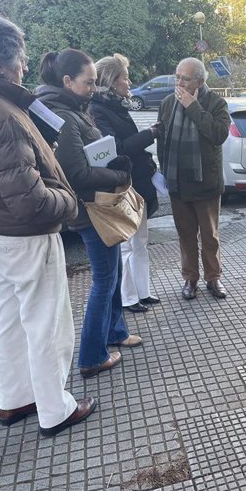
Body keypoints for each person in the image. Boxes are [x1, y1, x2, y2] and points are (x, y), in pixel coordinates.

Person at [0, 15, 96, 437]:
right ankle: (55, 409)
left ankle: (15, 400)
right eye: (20, 59)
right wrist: (69, 202)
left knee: (9, 317)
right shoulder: (0, 114)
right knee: (46, 322)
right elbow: (29, 202)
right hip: (23, 237)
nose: (24, 67)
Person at [37, 48, 142, 379]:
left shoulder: (68, 108)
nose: (94, 89)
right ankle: (92, 356)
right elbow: (77, 174)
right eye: (89, 82)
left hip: (95, 208)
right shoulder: (64, 116)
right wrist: (119, 174)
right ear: (67, 81)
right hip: (90, 210)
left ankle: (115, 333)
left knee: (112, 273)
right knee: (104, 279)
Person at [90, 54, 161, 314]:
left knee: (140, 240)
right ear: (111, 80)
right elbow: (116, 149)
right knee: (128, 243)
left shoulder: (115, 105)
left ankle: (143, 291)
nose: (129, 82)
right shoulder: (98, 109)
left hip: (137, 182)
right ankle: (128, 297)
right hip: (122, 186)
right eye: (125, 77)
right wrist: (149, 134)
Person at [156, 57, 231, 300]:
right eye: (177, 77)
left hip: (206, 184)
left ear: (199, 80)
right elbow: (162, 140)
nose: (179, 82)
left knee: (210, 236)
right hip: (179, 184)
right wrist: (165, 171)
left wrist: (192, 106)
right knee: (185, 235)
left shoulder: (216, 102)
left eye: (185, 78)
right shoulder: (167, 103)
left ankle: (214, 278)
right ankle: (190, 279)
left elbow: (218, 134)